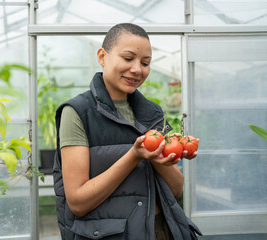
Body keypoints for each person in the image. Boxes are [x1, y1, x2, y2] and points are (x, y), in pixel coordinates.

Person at [53, 23, 202, 240]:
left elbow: (176, 189)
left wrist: (166, 157)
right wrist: (134, 156)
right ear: (102, 57)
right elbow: (78, 202)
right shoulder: (76, 112)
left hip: (161, 230)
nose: (137, 69)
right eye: (128, 58)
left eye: (145, 63)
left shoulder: (152, 112)